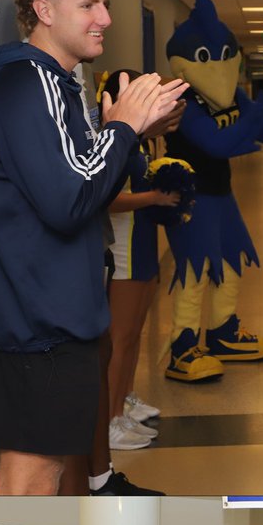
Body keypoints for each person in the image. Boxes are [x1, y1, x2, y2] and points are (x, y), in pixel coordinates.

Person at [0, 0, 186, 496]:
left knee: (42, 470)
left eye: (104, 4)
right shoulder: (28, 82)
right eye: (89, 5)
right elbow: (69, 202)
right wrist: (123, 130)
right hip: (38, 321)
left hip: (50, 315)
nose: (104, 19)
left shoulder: (55, 85)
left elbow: (78, 178)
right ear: (44, 11)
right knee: (30, 474)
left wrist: (129, 131)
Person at [100, 68, 179, 452]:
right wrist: (154, 199)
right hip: (124, 247)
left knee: (134, 335)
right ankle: (110, 420)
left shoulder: (141, 141)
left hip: (144, 242)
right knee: (120, 338)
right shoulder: (112, 141)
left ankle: (124, 401)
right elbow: (108, 199)